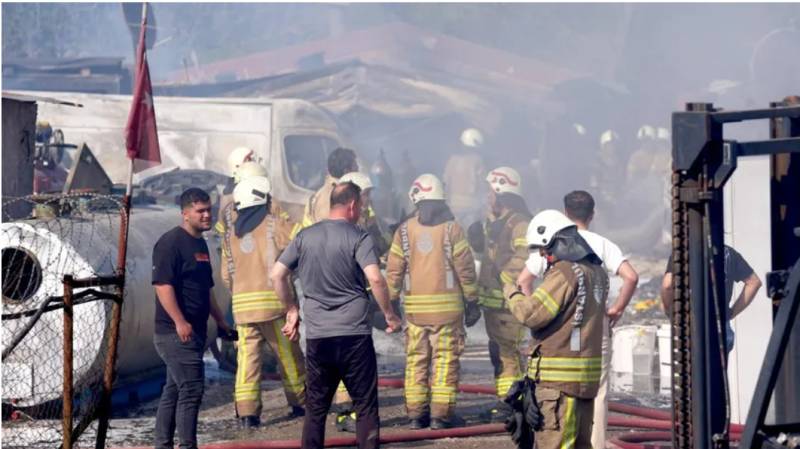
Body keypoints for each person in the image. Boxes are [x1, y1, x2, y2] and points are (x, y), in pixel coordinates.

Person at [271, 182, 403, 449]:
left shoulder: (304, 236)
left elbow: (277, 274)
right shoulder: (359, 236)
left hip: (319, 337)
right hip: (354, 335)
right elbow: (376, 279)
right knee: (365, 406)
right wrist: (389, 315)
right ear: (352, 205)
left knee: (316, 408)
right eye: (361, 207)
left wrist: (292, 310)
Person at [516, 190, 639, 449]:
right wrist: (616, 309)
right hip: (595, 330)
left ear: (565, 214)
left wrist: (542, 318)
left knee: (561, 422)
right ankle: (597, 443)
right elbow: (631, 276)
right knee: (596, 392)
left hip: (559, 346)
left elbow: (523, 281)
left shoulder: (555, 249)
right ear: (592, 214)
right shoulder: (601, 245)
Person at [504, 209, 609, 449]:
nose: (543, 254)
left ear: (558, 243)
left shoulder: (565, 272)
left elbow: (530, 314)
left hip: (558, 387)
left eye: (546, 248)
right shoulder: (597, 272)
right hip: (583, 383)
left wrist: (512, 292)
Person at [384, 174, 481, 430]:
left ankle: (416, 416)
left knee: (416, 360)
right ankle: (441, 416)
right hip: (448, 313)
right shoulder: (452, 228)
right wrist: (472, 300)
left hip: (415, 313)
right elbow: (466, 269)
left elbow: (393, 271)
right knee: (445, 362)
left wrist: (391, 301)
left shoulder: (404, 231)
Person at [222, 175, 306, 429]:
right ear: (264, 199)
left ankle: (248, 414)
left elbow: (226, 276)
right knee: (288, 356)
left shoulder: (229, 235)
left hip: (243, 310)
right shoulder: (274, 225)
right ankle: (300, 403)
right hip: (274, 306)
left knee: (247, 362)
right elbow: (302, 239)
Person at [152, 188, 232, 449]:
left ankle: (162, 445)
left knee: (174, 390)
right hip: (175, 333)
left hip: (194, 332)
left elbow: (205, 289)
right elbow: (163, 286)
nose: (207, 215)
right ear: (185, 214)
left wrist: (220, 321)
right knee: (191, 390)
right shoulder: (170, 244)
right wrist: (179, 321)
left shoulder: (201, 244)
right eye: (201, 211)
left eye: (209, 209)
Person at [476, 166, 533, 422]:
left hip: (509, 303)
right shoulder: (497, 222)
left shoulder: (520, 224)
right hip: (495, 302)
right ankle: (506, 402)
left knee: (508, 354)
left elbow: (523, 260)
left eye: (491, 192)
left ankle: (512, 405)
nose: (488, 197)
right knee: (499, 353)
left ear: (502, 194)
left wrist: (503, 281)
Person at [661, 245, 762, 353]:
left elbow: (668, 285)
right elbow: (754, 282)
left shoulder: (685, 251)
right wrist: (731, 313)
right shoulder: (729, 253)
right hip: (720, 326)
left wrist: (670, 311)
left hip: (692, 325)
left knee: (694, 367)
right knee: (720, 369)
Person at [295, 147, 359, 233]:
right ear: (347, 171)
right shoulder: (334, 197)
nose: (358, 169)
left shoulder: (328, 192)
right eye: (355, 166)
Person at [443, 128, 486, 226]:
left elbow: (446, 184)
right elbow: (483, 185)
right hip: (472, 206)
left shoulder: (451, 160)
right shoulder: (478, 161)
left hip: (453, 206)